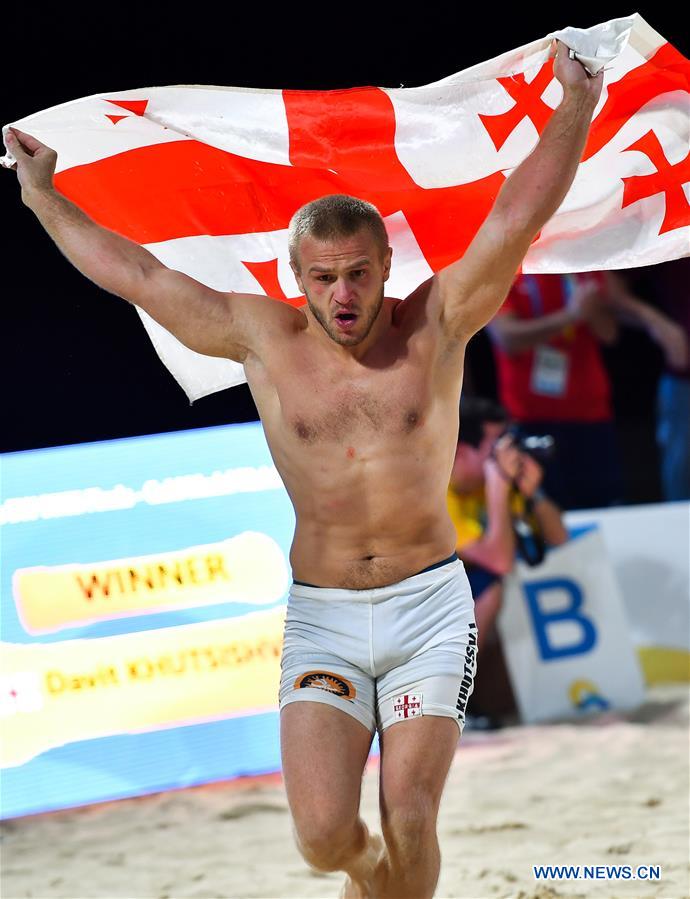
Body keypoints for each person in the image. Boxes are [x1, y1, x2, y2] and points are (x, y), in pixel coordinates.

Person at [5, 43, 603, 899]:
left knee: (409, 818)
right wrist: (43, 198)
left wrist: (574, 107)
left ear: (386, 266)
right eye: (325, 279)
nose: (345, 295)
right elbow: (136, 272)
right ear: (298, 278)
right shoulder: (262, 339)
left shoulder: (435, 326)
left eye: (359, 273)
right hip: (322, 616)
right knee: (328, 840)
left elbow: (513, 220)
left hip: (430, 607)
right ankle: (366, 882)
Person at [487, 270, 687, 510]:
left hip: (590, 411)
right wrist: (570, 316)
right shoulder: (508, 269)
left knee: (604, 508)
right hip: (529, 415)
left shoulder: (581, 263)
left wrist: (591, 312)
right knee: (543, 511)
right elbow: (507, 339)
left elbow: (609, 333)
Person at [448, 397, 568, 721]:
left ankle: (478, 703)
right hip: (406, 615)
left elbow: (559, 538)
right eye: (496, 446)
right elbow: (499, 563)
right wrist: (500, 486)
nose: (507, 454)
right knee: (489, 588)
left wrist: (533, 495)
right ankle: (449, 707)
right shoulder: (438, 492)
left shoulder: (486, 483)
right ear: (461, 452)